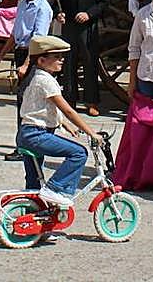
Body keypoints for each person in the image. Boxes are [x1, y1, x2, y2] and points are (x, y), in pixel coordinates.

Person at [15, 34, 100, 207]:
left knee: (34, 186)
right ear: (41, 61)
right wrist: (92, 132)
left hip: (26, 133)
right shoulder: (46, 81)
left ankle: (35, 228)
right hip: (36, 134)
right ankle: (55, 188)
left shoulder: (37, 78)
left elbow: (42, 107)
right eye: (56, 57)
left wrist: (65, 124)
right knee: (79, 153)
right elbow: (67, 110)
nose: (61, 60)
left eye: (62, 56)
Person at [0, 0, 54, 160]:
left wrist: (27, 65)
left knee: (28, 103)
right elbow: (15, 32)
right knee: (21, 102)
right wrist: (2, 54)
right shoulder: (23, 3)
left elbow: (38, 39)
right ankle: (21, 145)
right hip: (21, 53)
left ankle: (26, 146)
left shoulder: (43, 8)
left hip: (34, 56)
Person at [55, 0, 108, 116]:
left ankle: (91, 101)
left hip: (88, 28)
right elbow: (56, 3)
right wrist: (58, 14)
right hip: (69, 27)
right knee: (68, 63)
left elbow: (103, 3)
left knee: (90, 63)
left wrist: (89, 14)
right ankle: (70, 101)